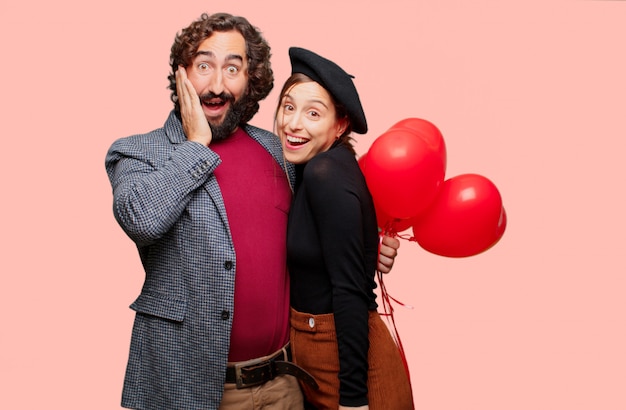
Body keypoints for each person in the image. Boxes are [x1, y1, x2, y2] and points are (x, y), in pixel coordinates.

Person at [105, 12, 400, 410]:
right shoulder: (137, 153)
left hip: (287, 384)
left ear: (252, 79)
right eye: (203, 65)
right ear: (182, 75)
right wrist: (196, 144)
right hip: (187, 390)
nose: (216, 83)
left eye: (233, 68)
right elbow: (142, 219)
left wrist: (369, 246)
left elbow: (321, 225)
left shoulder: (279, 150)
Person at [274, 47, 414, 409]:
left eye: (313, 113)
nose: (293, 123)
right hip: (314, 354)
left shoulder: (326, 174)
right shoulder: (311, 165)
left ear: (340, 125)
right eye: (288, 107)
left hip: (350, 366)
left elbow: (351, 292)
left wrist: (354, 400)